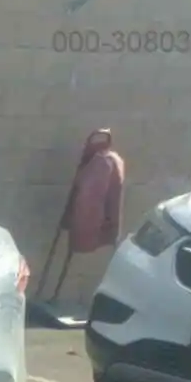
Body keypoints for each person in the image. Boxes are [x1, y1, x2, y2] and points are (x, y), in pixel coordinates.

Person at [52, 128, 126, 299]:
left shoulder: (102, 164)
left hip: (92, 220)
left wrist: (82, 232)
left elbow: (90, 199)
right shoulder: (113, 161)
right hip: (104, 220)